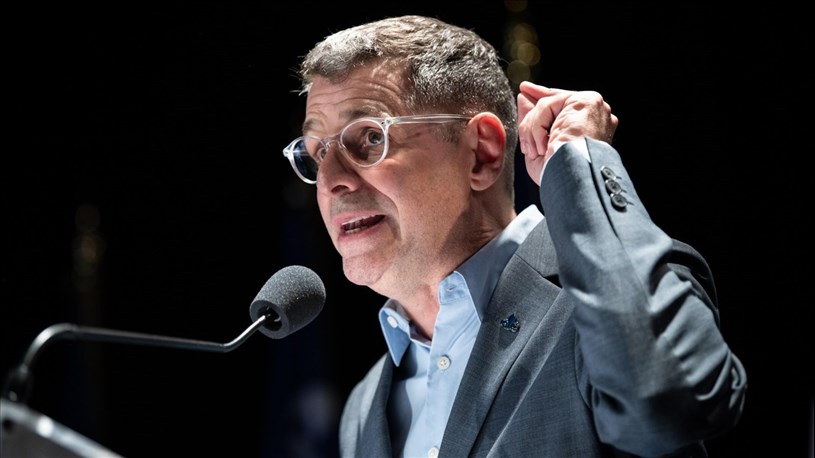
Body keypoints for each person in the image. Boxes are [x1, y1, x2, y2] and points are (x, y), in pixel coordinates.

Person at [281, 14, 747, 457]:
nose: (330, 181)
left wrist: (579, 165)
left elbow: (668, 409)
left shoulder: (612, 296)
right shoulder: (364, 407)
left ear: (481, 153)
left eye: (368, 138)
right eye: (317, 153)